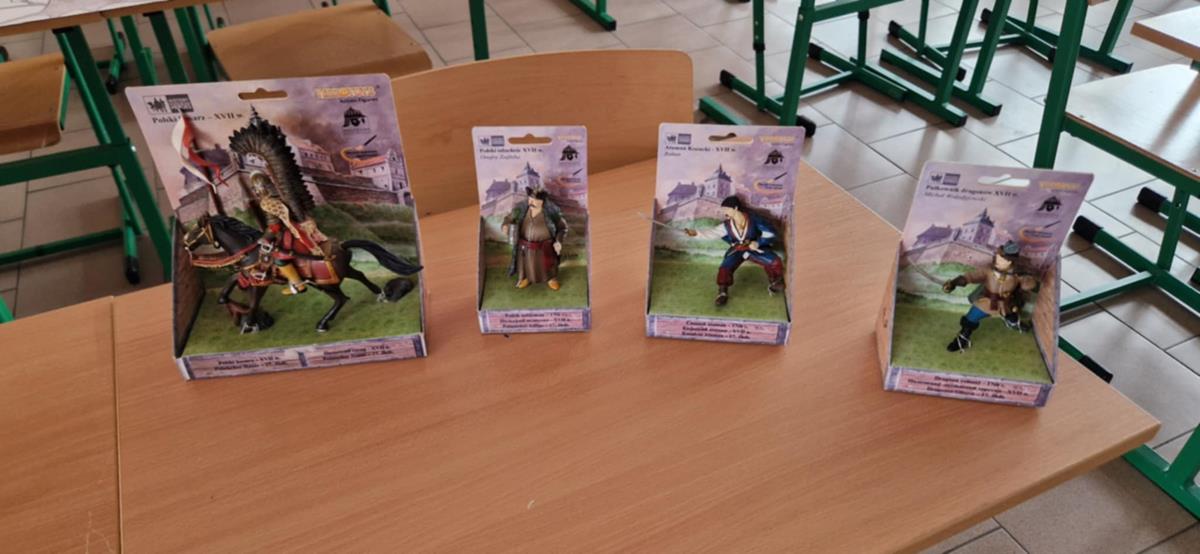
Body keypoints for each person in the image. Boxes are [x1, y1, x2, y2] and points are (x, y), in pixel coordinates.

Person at [685, 195, 785, 306]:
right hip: (737, 249)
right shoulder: (727, 225)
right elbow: (712, 233)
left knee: (774, 260)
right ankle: (722, 292)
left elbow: (770, 232)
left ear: (735, 208)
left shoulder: (754, 219)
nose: (724, 212)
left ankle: (775, 281)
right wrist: (696, 233)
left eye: (726, 209)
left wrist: (758, 243)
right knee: (725, 267)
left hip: (753, 248)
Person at [942, 240, 1038, 352]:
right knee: (970, 319)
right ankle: (962, 339)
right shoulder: (988, 271)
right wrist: (954, 283)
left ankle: (1014, 323)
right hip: (986, 302)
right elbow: (970, 277)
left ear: (1010, 262)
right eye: (998, 257)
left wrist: (1025, 278)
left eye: (1002, 260)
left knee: (1012, 315)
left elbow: (1029, 285)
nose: (998, 261)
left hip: (1006, 304)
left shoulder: (1017, 275)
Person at [248, 171, 326, 295]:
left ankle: (298, 285)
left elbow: (275, 226)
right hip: (303, 223)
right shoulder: (282, 194)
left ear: (257, 189)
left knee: (279, 258)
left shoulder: (267, 203)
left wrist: (265, 237)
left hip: (293, 230)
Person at [501, 187, 568, 290]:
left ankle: (551, 279)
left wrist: (558, 241)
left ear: (542, 201)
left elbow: (562, 228)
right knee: (526, 264)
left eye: (534, 200)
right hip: (525, 248)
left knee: (547, 264)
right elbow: (509, 218)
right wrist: (506, 225)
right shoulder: (521, 210)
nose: (531, 202)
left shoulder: (551, 213)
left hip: (545, 247)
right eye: (530, 199)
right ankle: (526, 277)